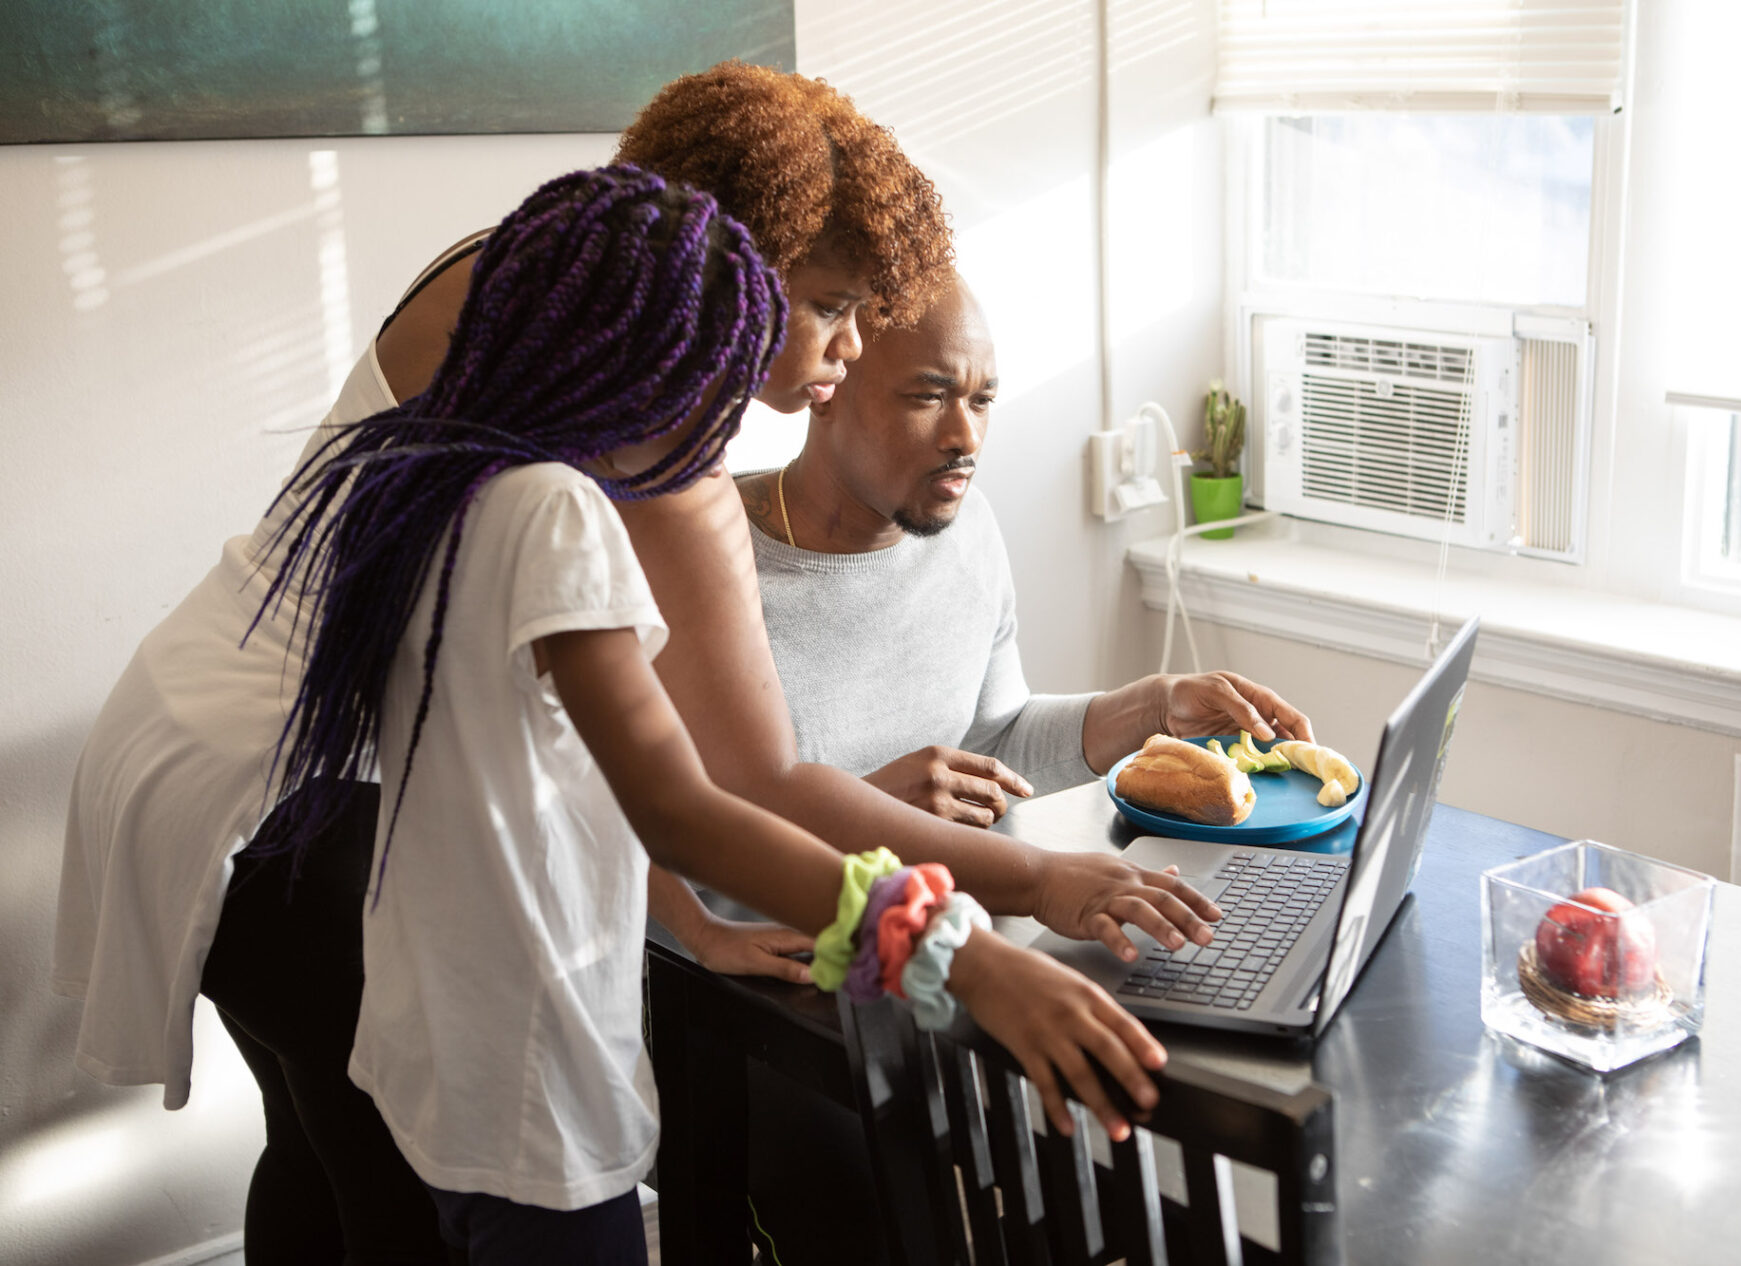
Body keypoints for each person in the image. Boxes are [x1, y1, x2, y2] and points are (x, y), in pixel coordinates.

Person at [53, 62, 1213, 1263]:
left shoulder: (512, 308)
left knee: (325, 1152)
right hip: (295, 810)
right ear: (733, 276)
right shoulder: (621, 473)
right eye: (829, 304)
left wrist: (688, 921)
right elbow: (724, 794)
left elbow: (636, 767)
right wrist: (995, 922)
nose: (849, 348)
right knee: (396, 1198)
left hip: (194, 734)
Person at [738, 273, 1314, 823]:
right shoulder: (716, 555)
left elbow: (997, 740)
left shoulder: (968, 529)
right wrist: (865, 813)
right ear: (825, 387)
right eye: (927, 397)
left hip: (931, 903)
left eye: (982, 400)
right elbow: (676, 835)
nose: (965, 437)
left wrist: (1155, 708)